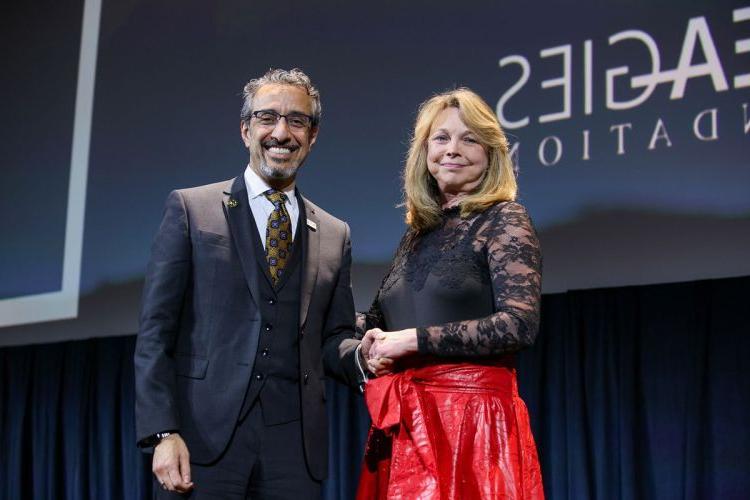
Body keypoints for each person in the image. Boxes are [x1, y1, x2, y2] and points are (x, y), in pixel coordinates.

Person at [134, 68, 364, 498]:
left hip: (294, 450)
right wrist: (162, 433)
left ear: (312, 136)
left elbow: (333, 340)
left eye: (297, 121)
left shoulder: (335, 233)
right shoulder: (191, 208)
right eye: (267, 117)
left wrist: (368, 355)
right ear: (245, 129)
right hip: (203, 442)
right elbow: (154, 334)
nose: (282, 132)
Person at [356, 88, 545, 499]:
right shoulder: (417, 235)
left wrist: (412, 341)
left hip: (471, 425)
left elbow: (518, 325)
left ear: (491, 152)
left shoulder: (504, 219)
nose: (452, 149)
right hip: (404, 424)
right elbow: (375, 324)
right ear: (424, 151)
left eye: (469, 138)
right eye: (441, 138)